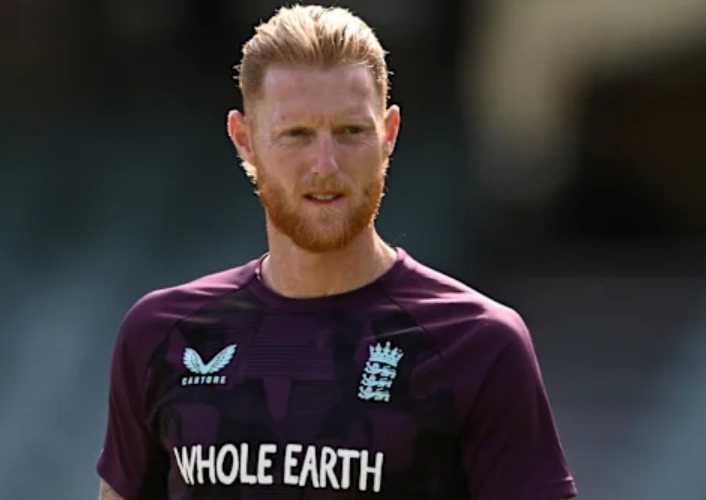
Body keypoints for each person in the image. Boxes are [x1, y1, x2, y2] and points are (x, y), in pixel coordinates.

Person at [96, 4, 577, 499]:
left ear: (388, 134)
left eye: (351, 132)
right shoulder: (161, 334)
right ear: (245, 140)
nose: (325, 165)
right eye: (296, 135)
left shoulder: (477, 342)